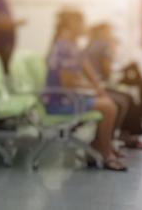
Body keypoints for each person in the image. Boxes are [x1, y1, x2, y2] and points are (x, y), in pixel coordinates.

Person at [45, 9, 127, 171]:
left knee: (110, 102)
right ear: (71, 25)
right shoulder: (63, 48)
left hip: (68, 97)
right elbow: (67, 83)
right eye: (81, 23)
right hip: (60, 102)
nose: (84, 26)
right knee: (109, 107)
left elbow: (85, 68)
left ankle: (100, 145)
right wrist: (91, 89)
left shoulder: (72, 45)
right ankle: (104, 153)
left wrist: (96, 88)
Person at [85, 23, 142, 150]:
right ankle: (113, 140)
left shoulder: (90, 45)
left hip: (96, 82)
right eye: (109, 30)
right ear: (103, 31)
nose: (111, 33)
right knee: (125, 99)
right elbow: (106, 70)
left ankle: (111, 141)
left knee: (127, 96)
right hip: (98, 83)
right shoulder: (104, 45)